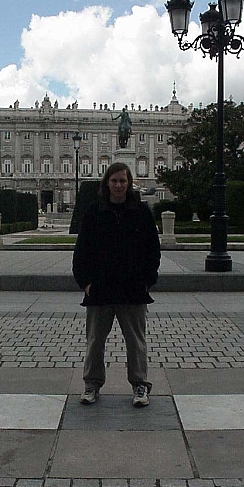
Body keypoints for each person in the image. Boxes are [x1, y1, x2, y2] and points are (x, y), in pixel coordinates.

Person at [72, 162, 161, 407]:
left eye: (123, 181)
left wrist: (147, 281)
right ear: (107, 184)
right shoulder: (93, 211)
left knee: (135, 341)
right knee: (95, 341)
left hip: (132, 289)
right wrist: (86, 283)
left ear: (129, 183)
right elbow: (81, 251)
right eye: (114, 181)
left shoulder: (141, 212)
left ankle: (140, 385)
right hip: (100, 288)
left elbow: (153, 250)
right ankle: (92, 384)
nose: (119, 185)